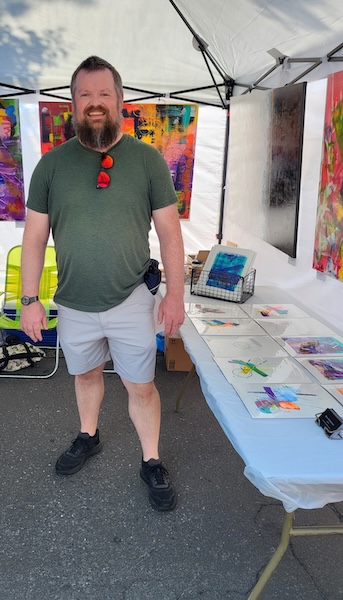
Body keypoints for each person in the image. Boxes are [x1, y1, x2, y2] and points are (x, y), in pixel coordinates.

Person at [20, 56, 185, 512]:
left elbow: (170, 232)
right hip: (73, 303)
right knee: (86, 374)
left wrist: (175, 293)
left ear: (120, 100)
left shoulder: (147, 160)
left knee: (141, 387)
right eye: (85, 95)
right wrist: (29, 300)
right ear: (72, 103)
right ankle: (88, 435)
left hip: (132, 296)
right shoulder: (50, 166)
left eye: (103, 94)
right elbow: (34, 238)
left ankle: (150, 459)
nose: (95, 103)